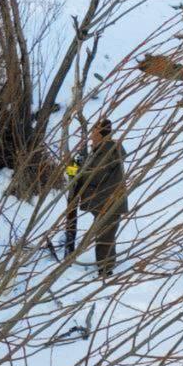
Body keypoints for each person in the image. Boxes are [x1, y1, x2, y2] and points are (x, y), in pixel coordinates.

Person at [65, 119, 128, 278]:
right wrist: (74, 165)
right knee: (106, 233)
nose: (91, 135)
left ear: (100, 134)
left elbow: (94, 174)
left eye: (94, 131)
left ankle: (106, 270)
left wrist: (76, 168)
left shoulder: (108, 151)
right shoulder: (98, 150)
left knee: (105, 235)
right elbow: (79, 171)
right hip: (101, 201)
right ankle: (106, 265)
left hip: (108, 202)